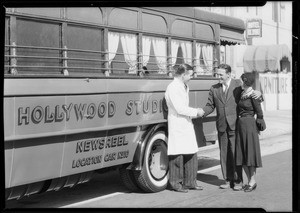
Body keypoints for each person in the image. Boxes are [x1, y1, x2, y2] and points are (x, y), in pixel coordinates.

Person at [200, 63, 262, 191]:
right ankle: (227, 180)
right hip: (222, 125)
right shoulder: (214, 88)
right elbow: (210, 106)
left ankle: (238, 181)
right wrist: (200, 112)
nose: (219, 77)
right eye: (217, 74)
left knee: (235, 154)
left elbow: (251, 94)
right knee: (224, 153)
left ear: (228, 74)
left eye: (221, 74)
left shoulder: (238, 85)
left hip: (235, 125)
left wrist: (259, 93)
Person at [165, 63, 204, 193]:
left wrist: (193, 112)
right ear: (183, 75)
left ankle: (190, 182)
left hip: (185, 122)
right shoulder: (173, 87)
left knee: (191, 151)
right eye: (190, 75)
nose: (191, 77)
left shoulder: (183, 85)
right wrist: (196, 111)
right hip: (177, 122)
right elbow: (179, 108)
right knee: (177, 154)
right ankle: (176, 183)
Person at [235, 72, 266, 192]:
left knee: (250, 154)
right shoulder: (241, 92)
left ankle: (253, 181)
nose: (240, 82)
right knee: (242, 154)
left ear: (246, 81)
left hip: (249, 127)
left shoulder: (253, 95)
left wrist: (258, 127)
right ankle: (249, 181)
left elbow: (260, 113)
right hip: (241, 126)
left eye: (241, 80)